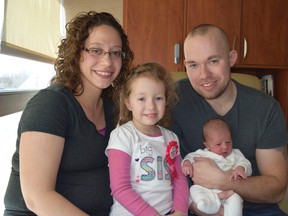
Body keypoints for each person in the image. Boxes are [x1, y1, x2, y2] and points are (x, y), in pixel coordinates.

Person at [4, 11, 134, 216]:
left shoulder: (111, 108)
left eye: (115, 52)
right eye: (96, 50)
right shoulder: (52, 105)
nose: (108, 62)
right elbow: (37, 197)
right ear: (77, 52)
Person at [171, 23, 288, 216]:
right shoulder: (171, 99)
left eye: (213, 61)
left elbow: (276, 190)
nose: (204, 75)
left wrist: (223, 180)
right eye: (193, 65)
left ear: (231, 58)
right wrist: (190, 204)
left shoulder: (266, 109)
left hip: (257, 210)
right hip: (196, 204)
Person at [106, 62, 189, 216]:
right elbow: (120, 188)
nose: (151, 106)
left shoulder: (171, 138)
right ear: (128, 102)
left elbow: (179, 179)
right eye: (142, 99)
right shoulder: (122, 136)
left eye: (158, 98)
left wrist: (181, 211)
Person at [182, 118, 252, 216]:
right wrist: (186, 164)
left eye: (228, 142)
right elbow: (189, 157)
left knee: (236, 199)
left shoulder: (235, 154)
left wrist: (241, 168)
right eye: (218, 144)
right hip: (206, 191)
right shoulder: (202, 154)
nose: (225, 147)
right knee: (193, 190)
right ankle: (208, 205)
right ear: (207, 145)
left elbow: (245, 163)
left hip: (229, 192)